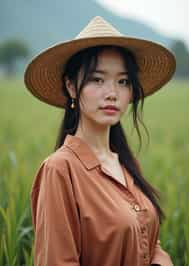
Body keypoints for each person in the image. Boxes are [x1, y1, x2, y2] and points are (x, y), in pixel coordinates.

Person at [24, 16, 176, 266]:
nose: (112, 93)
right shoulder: (60, 170)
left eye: (123, 81)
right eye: (97, 79)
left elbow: (149, 242)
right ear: (71, 87)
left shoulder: (128, 163)